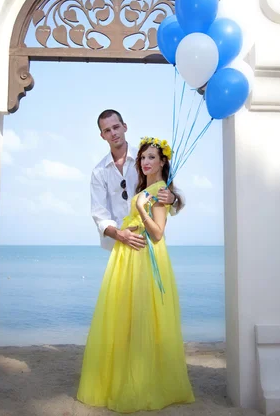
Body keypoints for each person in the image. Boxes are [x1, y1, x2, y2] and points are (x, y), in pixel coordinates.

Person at [77, 136, 195, 411]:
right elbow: (99, 212)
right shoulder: (102, 172)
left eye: (151, 158)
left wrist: (164, 199)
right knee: (124, 315)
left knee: (144, 316)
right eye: (144, 158)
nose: (145, 161)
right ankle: (125, 374)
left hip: (144, 254)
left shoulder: (151, 180)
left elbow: (161, 223)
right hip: (126, 252)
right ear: (102, 134)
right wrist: (122, 231)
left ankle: (143, 379)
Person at [91, 109, 178, 251]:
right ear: (102, 135)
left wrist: (172, 199)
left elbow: (167, 194)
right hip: (118, 247)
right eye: (107, 130)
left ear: (125, 126)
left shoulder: (147, 158)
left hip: (148, 242)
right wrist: (120, 235)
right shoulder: (98, 172)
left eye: (116, 127)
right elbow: (99, 215)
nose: (113, 133)